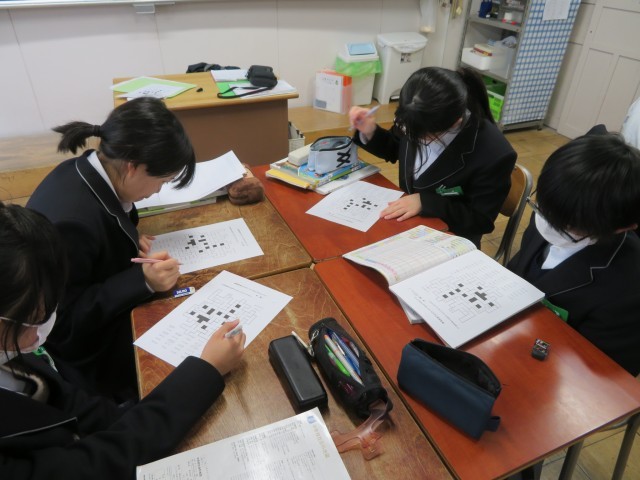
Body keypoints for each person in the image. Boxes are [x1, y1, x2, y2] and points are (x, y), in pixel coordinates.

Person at [0, 202, 245, 479]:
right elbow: (97, 466)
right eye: (35, 318)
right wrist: (206, 370)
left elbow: (73, 403)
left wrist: (134, 415)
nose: (46, 327)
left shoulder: (10, 346)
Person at [26, 97, 196, 400]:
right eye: (162, 180)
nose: (158, 190)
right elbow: (63, 324)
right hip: (87, 358)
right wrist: (142, 281)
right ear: (133, 167)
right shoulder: (72, 224)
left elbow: (107, 218)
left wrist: (126, 234)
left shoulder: (85, 170)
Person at [507, 134, 640, 376]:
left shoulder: (629, 289)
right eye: (541, 208)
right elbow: (519, 270)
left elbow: (602, 372)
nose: (546, 225)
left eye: (566, 227)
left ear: (622, 227)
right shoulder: (555, 210)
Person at [349, 66, 517, 246]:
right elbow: (395, 147)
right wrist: (370, 131)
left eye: (421, 136)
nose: (408, 134)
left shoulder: (494, 153)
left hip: (450, 237)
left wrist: (426, 203)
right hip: (408, 224)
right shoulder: (415, 114)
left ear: (456, 122)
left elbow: (480, 219)